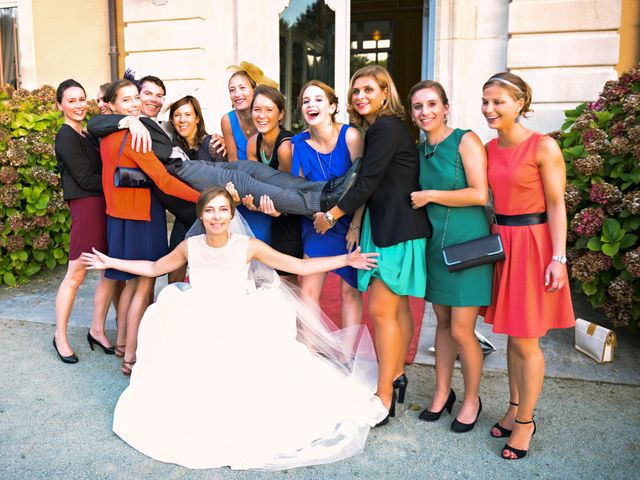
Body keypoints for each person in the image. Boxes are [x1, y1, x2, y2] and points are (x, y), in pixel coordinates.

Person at [80, 186, 388, 470]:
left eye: (223, 210)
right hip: (197, 317)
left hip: (239, 317)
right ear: (201, 215)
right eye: (210, 210)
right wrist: (110, 261)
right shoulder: (190, 246)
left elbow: (300, 266)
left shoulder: (248, 246)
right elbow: (153, 268)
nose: (216, 217)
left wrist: (346, 259)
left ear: (231, 214)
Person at [313, 66, 431, 421]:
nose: (360, 97)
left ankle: (383, 398)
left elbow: (365, 183)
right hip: (392, 226)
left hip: (395, 230)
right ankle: (395, 377)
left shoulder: (385, 127)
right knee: (395, 310)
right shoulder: (385, 128)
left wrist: (331, 216)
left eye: (368, 90)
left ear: (385, 92)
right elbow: (374, 185)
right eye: (355, 91)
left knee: (381, 311)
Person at [481, 72, 575, 459]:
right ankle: (515, 407)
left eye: (498, 101)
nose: (489, 109)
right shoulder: (488, 147)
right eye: (485, 101)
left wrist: (559, 257)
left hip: (534, 245)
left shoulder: (543, 146)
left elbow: (556, 204)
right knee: (511, 336)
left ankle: (525, 423)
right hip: (502, 244)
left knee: (526, 338)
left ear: (520, 104)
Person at [100, 79, 200, 375]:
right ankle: (131, 357)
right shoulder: (136, 137)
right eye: (127, 100)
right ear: (115, 106)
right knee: (144, 285)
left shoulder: (108, 134)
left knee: (132, 284)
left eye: (135, 99)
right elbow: (165, 182)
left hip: (118, 216)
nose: (134, 104)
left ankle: (121, 343)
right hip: (141, 217)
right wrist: (204, 198)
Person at [408, 80, 491, 432]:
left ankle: (472, 398)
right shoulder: (420, 149)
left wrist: (430, 195)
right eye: (417, 107)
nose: (425, 112)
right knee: (441, 324)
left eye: (431, 104)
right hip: (435, 247)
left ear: (446, 107)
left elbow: (478, 193)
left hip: (468, 245)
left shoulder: (465, 140)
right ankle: (443, 393)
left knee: (461, 329)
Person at [52, 79, 117, 363]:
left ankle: (97, 330)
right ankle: (60, 336)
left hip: (103, 206)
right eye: (71, 101)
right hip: (86, 207)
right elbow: (85, 179)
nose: (79, 105)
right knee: (76, 273)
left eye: (82, 99)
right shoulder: (65, 135)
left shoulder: (87, 134)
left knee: (107, 271)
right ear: (60, 106)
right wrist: (117, 182)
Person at [292, 80, 364, 335]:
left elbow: (363, 186)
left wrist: (355, 225)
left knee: (348, 289)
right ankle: (308, 354)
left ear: (333, 107)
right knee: (309, 289)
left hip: (351, 220)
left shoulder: (351, 136)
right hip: (316, 222)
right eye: (306, 101)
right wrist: (317, 215)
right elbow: (299, 189)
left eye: (319, 99)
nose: (311, 104)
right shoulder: (297, 145)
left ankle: (347, 358)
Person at [244, 85, 302, 281]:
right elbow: (251, 182)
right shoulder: (253, 142)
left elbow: (291, 189)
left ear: (280, 114)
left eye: (269, 110)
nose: (262, 115)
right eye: (257, 109)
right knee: (257, 278)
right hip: (264, 209)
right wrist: (249, 198)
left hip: (289, 213)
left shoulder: (286, 147)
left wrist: (278, 211)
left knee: (286, 281)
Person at [221, 61, 280, 242]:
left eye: (242, 88)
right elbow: (233, 163)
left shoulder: (265, 119)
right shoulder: (227, 120)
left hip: (267, 196)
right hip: (241, 195)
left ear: (255, 91)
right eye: (232, 90)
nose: (237, 94)